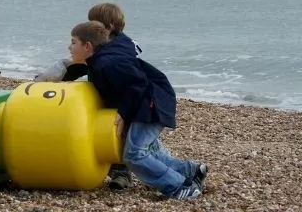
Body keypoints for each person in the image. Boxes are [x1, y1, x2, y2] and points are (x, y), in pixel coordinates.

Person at [69, 20, 208, 200]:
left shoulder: (108, 63)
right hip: (148, 101)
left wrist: (123, 113)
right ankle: (191, 171)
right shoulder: (98, 61)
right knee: (148, 151)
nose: (69, 47)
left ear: (87, 46)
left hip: (152, 103)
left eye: (73, 42)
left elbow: (138, 85)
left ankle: (179, 187)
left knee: (134, 155)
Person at [33, 2, 140, 189]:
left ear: (109, 28)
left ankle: (122, 172)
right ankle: (113, 168)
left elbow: (131, 80)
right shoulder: (101, 47)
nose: (90, 26)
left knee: (119, 134)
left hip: (120, 100)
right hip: (103, 93)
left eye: (94, 22)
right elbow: (77, 65)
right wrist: (42, 84)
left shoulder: (119, 49)